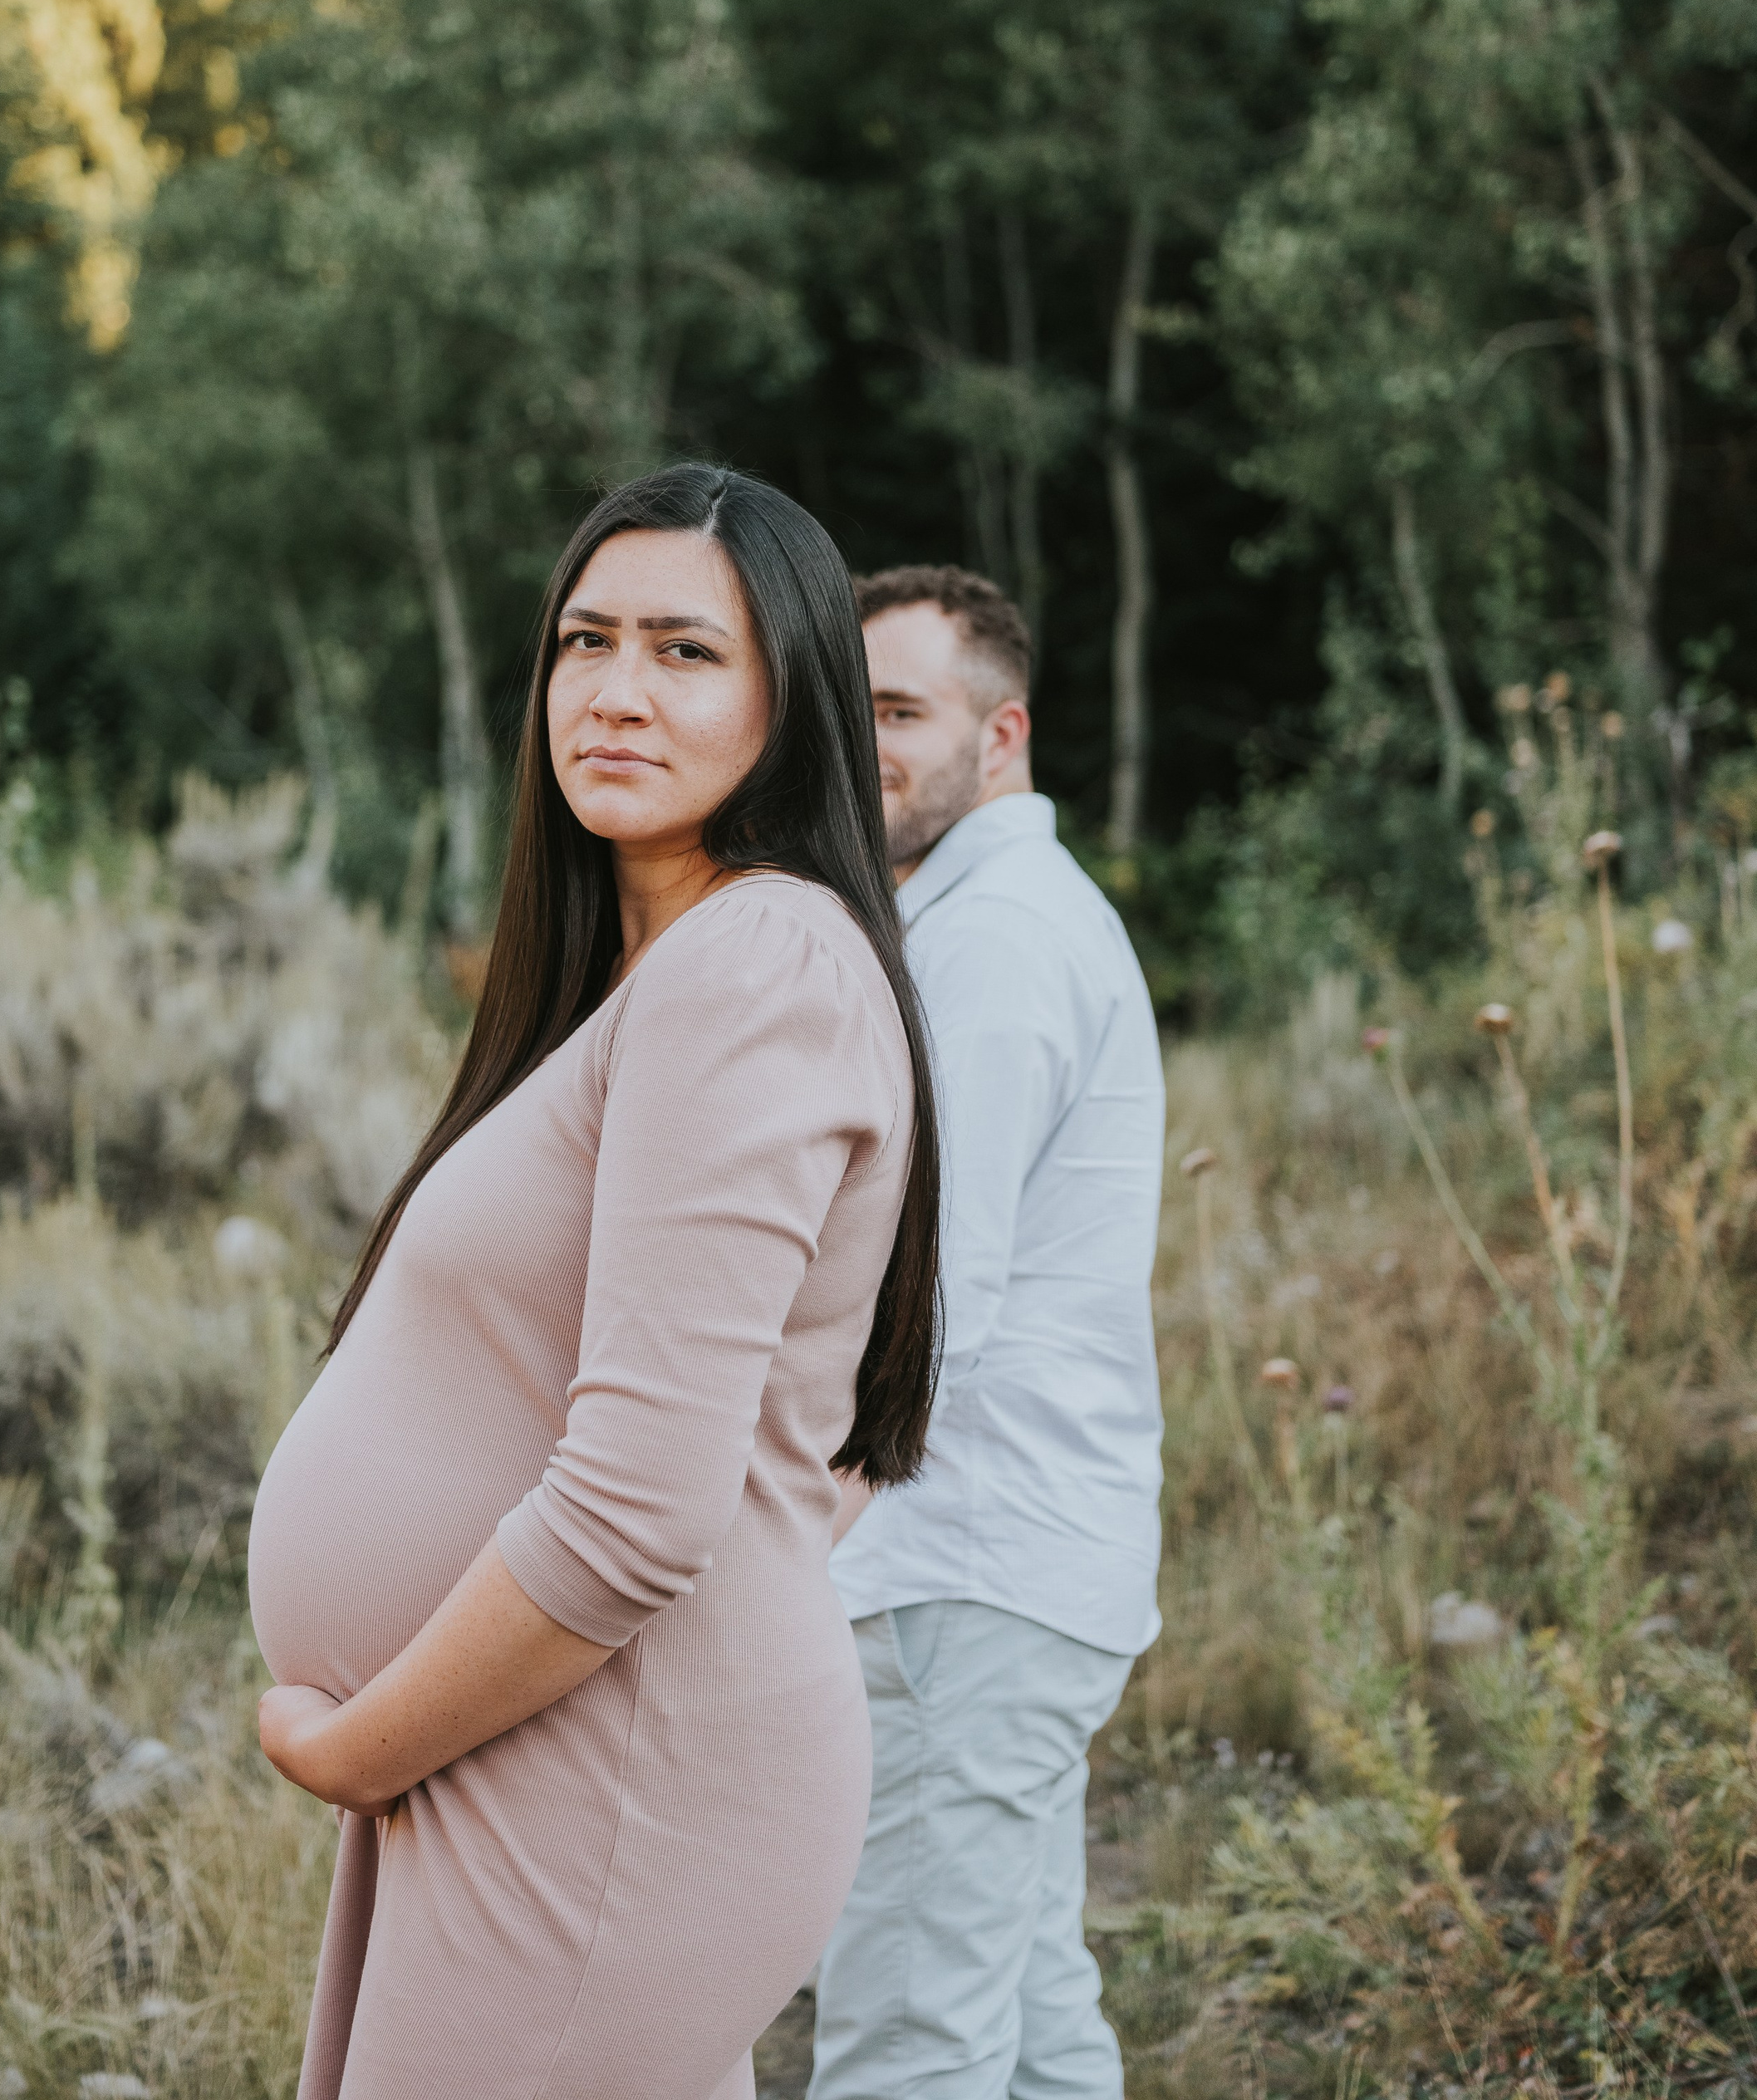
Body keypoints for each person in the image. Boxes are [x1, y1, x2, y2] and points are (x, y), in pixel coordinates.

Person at [247, 464, 942, 2100]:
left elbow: (640, 1507)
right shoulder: (654, 970)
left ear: (795, 696)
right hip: (557, 1746)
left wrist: (358, 1745)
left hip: (608, 1772)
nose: (616, 692)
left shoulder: (752, 965)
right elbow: (795, 1431)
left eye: (686, 652)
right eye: (585, 641)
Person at [811, 565, 1165, 2100]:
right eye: (848, 709)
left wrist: (789, 1523)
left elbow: (936, 1295)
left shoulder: (997, 938)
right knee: (1023, 2023)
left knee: (909, 2049)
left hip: (961, 1566)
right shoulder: (981, 918)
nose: (864, 742)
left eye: (901, 710)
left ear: (1001, 732)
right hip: (1011, 1572)